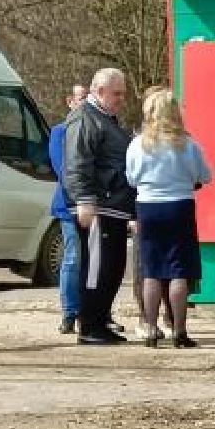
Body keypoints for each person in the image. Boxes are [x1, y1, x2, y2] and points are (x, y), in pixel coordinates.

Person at [124, 87, 211, 348]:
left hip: (148, 207)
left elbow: (131, 178)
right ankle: (179, 330)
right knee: (178, 270)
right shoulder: (188, 144)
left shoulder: (138, 144)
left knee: (151, 270)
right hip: (180, 206)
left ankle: (150, 328)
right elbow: (204, 176)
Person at [63, 68, 137, 346]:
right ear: (99, 90)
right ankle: (90, 326)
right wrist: (84, 200)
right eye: (117, 93)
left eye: (123, 93)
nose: (122, 99)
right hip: (97, 206)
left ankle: (101, 319)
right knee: (97, 267)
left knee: (113, 266)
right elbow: (78, 161)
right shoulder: (84, 118)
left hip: (113, 206)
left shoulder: (106, 119)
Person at [48, 83, 87, 334]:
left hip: (95, 206)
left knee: (96, 261)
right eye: (81, 98)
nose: (84, 103)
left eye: (88, 98)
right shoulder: (60, 132)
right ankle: (70, 312)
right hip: (69, 205)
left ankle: (95, 312)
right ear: (70, 101)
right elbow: (62, 170)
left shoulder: (95, 129)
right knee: (73, 258)